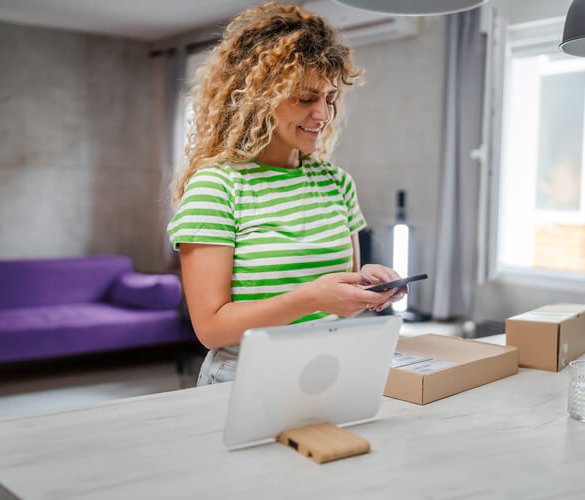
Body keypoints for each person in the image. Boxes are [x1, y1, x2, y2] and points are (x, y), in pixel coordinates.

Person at [167, 2, 406, 385]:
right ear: (257, 99)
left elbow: (338, 306)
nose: (324, 115)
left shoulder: (336, 183)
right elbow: (211, 329)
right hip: (244, 375)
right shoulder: (217, 187)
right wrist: (311, 298)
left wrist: (366, 286)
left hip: (328, 367)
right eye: (306, 98)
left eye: (329, 98)